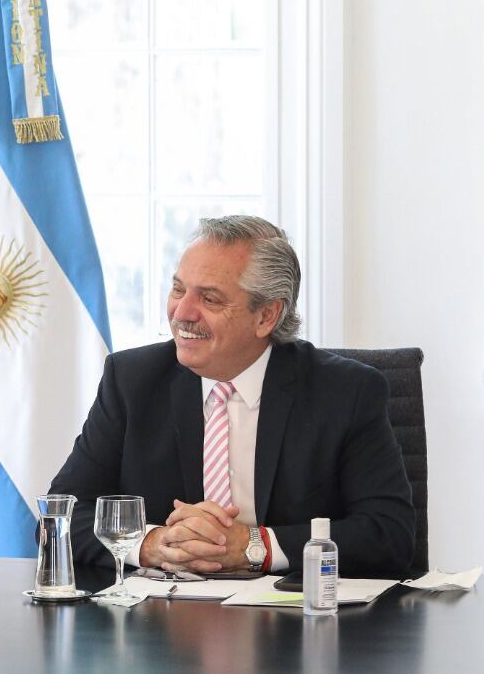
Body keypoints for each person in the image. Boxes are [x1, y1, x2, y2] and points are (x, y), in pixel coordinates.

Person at [47, 216, 414, 579]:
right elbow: (62, 516)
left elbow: (388, 534)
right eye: (178, 290)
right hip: (161, 622)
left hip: (293, 624)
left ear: (267, 316)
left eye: (209, 298)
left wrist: (255, 547)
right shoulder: (132, 380)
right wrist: (153, 544)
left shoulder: (345, 391)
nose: (182, 313)